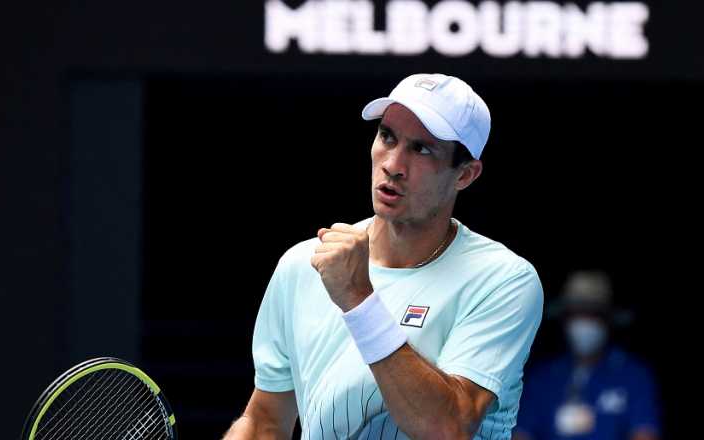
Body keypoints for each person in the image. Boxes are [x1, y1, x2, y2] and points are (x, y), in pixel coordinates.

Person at [222, 73, 544, 440]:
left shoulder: (504, 280)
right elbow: (265, 421)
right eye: (387, 136)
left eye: (421, 149)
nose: (393, 163)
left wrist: (358, 299)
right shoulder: (302, 265)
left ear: (466, 175)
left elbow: (449, 428)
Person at [514, 271, 660, 440]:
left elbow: (645, 433)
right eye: (576, 313)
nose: (584, 322)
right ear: (565, 318)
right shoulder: (541, 377)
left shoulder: (635, 376)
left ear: (607, 319)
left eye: (592, 314)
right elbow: (521, 434)